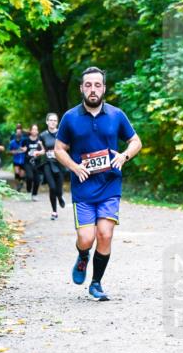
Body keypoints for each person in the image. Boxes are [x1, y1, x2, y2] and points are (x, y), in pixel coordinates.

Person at [55, 66, 142, 301]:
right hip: (83, 187)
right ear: (81, 88)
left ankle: (96, 283)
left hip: (110, 185)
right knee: (86, 238)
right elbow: (59, 149)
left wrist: (124, 156)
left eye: (97, 85)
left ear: (103, 88)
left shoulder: (116, 115)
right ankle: (83, 256)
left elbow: (135, 141)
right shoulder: (70, 118)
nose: (93, 90)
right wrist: (74, 167)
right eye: (88, 85)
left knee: (105, 234)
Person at [39, 113, 67, 219]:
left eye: (55, 120)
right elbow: (42, 150)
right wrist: (38, 153)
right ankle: (54, 211)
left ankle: (60, 196)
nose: (53, 122)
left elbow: (67, 147)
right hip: (48, 163)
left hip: (59, 163)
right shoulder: (42, 135)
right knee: (52, 187)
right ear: (47, 121)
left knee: (58, 189)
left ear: (57, 122)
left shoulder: (62, 134)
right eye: (51, 120)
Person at [24, 123, 44, 200]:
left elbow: (43, 151)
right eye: (33, 129)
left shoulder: (39, 140)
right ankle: (29, 192)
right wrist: (23, 149)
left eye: (36, 129)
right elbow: (23, 148)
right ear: (30, 131)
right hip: (28, 162)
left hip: (37, 163)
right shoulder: (26, 140)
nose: (34, 131)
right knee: (29, 177)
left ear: (37, 131)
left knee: (37, 179)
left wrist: (40, 147)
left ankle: (34, 194)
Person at [8, 125, 29, 192]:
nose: (18, 134)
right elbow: (9, 151)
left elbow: (28, 147)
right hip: (16, 160)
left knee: (22, 174)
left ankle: (21, 182)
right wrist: (13, 152)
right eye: (17, 132)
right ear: (15, 133)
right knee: (17, 173)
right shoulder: (12, 142)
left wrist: (25, 149)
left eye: (20, 132)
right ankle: (18, 185)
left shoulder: (24, 140)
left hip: (23, 159)